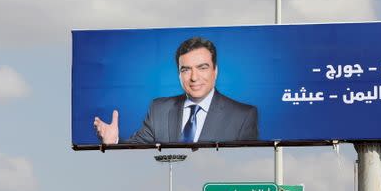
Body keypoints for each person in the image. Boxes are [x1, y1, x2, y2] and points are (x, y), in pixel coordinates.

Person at [93, 37, 258, 144]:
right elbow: (136, 148)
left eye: (202, 68)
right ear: (179, 74)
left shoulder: (243, 115)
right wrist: (112, 141)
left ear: (215, 71)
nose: (194, 77)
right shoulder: (159, 109)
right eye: (186, 70)